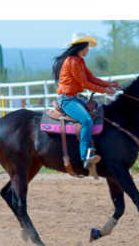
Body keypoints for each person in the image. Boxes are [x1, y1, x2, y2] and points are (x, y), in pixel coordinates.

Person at [52, 33, 121, 169]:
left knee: (97, 113)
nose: (88, 50)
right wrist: (105, 90)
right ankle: (85, 157)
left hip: (74, 98)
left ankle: (94, 149)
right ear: (81, 47)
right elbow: (84, 83)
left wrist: (109, 84)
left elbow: (92, 79)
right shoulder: (72, 62)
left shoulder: (79, 61)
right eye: (87, 48)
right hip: (67, 100)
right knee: (87, 120)